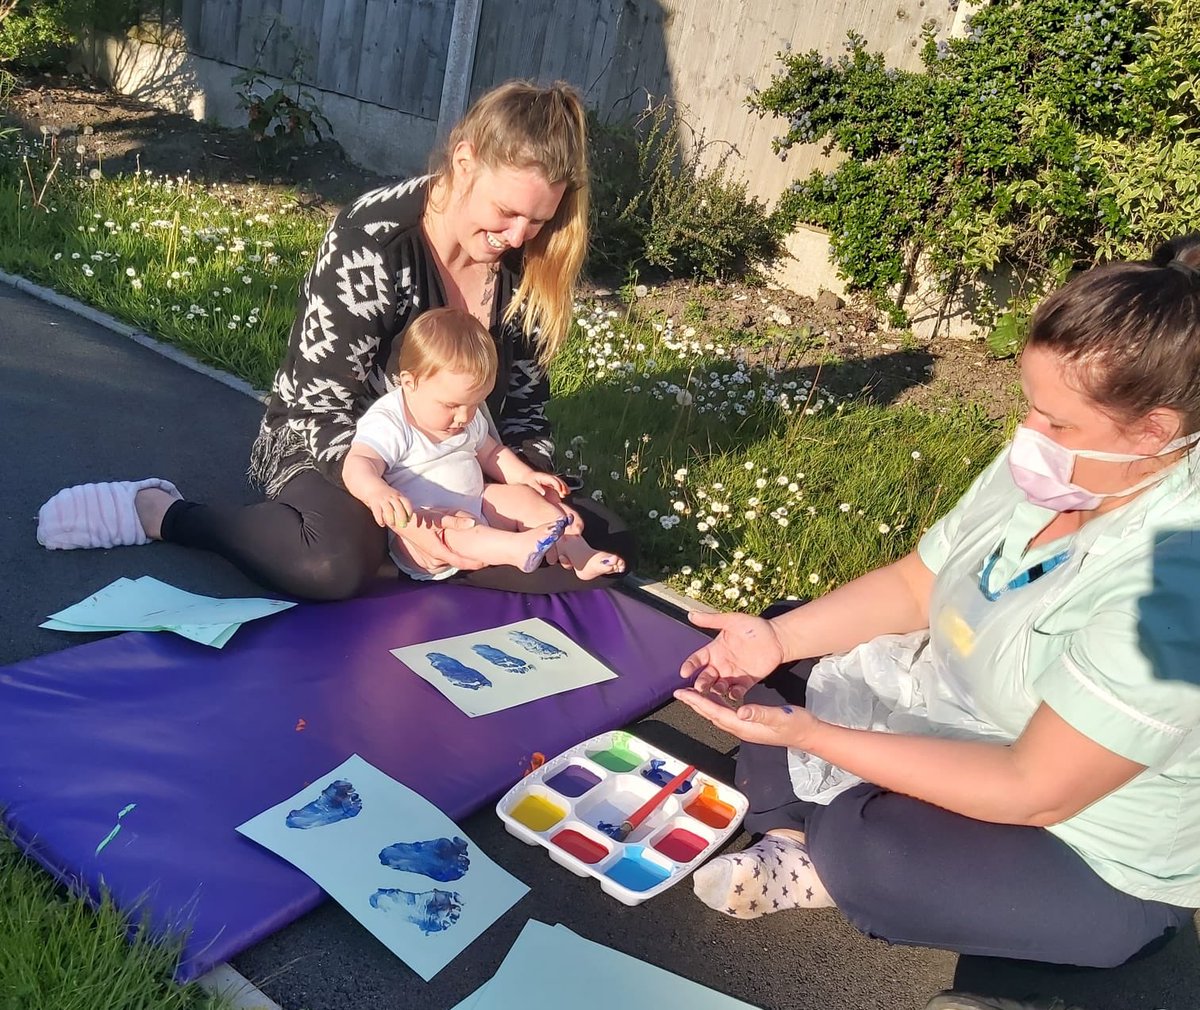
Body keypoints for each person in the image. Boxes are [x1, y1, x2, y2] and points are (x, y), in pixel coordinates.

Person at [672, 236, 1200, 972]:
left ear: (1155, 431)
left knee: (872, 850)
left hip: (1085, 842)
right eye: (1030, 406)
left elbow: (1031, 788)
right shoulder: (1062, 466)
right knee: (772, 642)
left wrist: (815, 736)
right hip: (964, 709)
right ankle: (799, 834)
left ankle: (820, 838)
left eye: (1057, 424)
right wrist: (774, 640)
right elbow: (917, 583)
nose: (1028, 437)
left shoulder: (1178, 580)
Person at [36, 80, 633, 599]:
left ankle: (427, 556)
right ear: (465, 159)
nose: (518, 235)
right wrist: (398, 508)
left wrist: (531, 481)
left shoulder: (529, 263)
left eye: (539, 219)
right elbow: (319, 406)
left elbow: (525, 408)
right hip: (339, 447)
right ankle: (166, 513)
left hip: (458, 461)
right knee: (328, 564)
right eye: (506, 212)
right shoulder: (372, 240)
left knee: (593, 541)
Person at [343, 307, 624, 581]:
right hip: (427, 531)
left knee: (523, 499)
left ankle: (579, 552)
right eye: (451, 405)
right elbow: (359, 462)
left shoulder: (466, 414)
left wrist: (527, 477)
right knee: (460, 530)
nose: (464, 416)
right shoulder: (391, 420)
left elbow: (491, 453)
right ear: (409, 382)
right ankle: (516, 549)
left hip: (477, 503)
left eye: (475, 403)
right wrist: (376, 491)